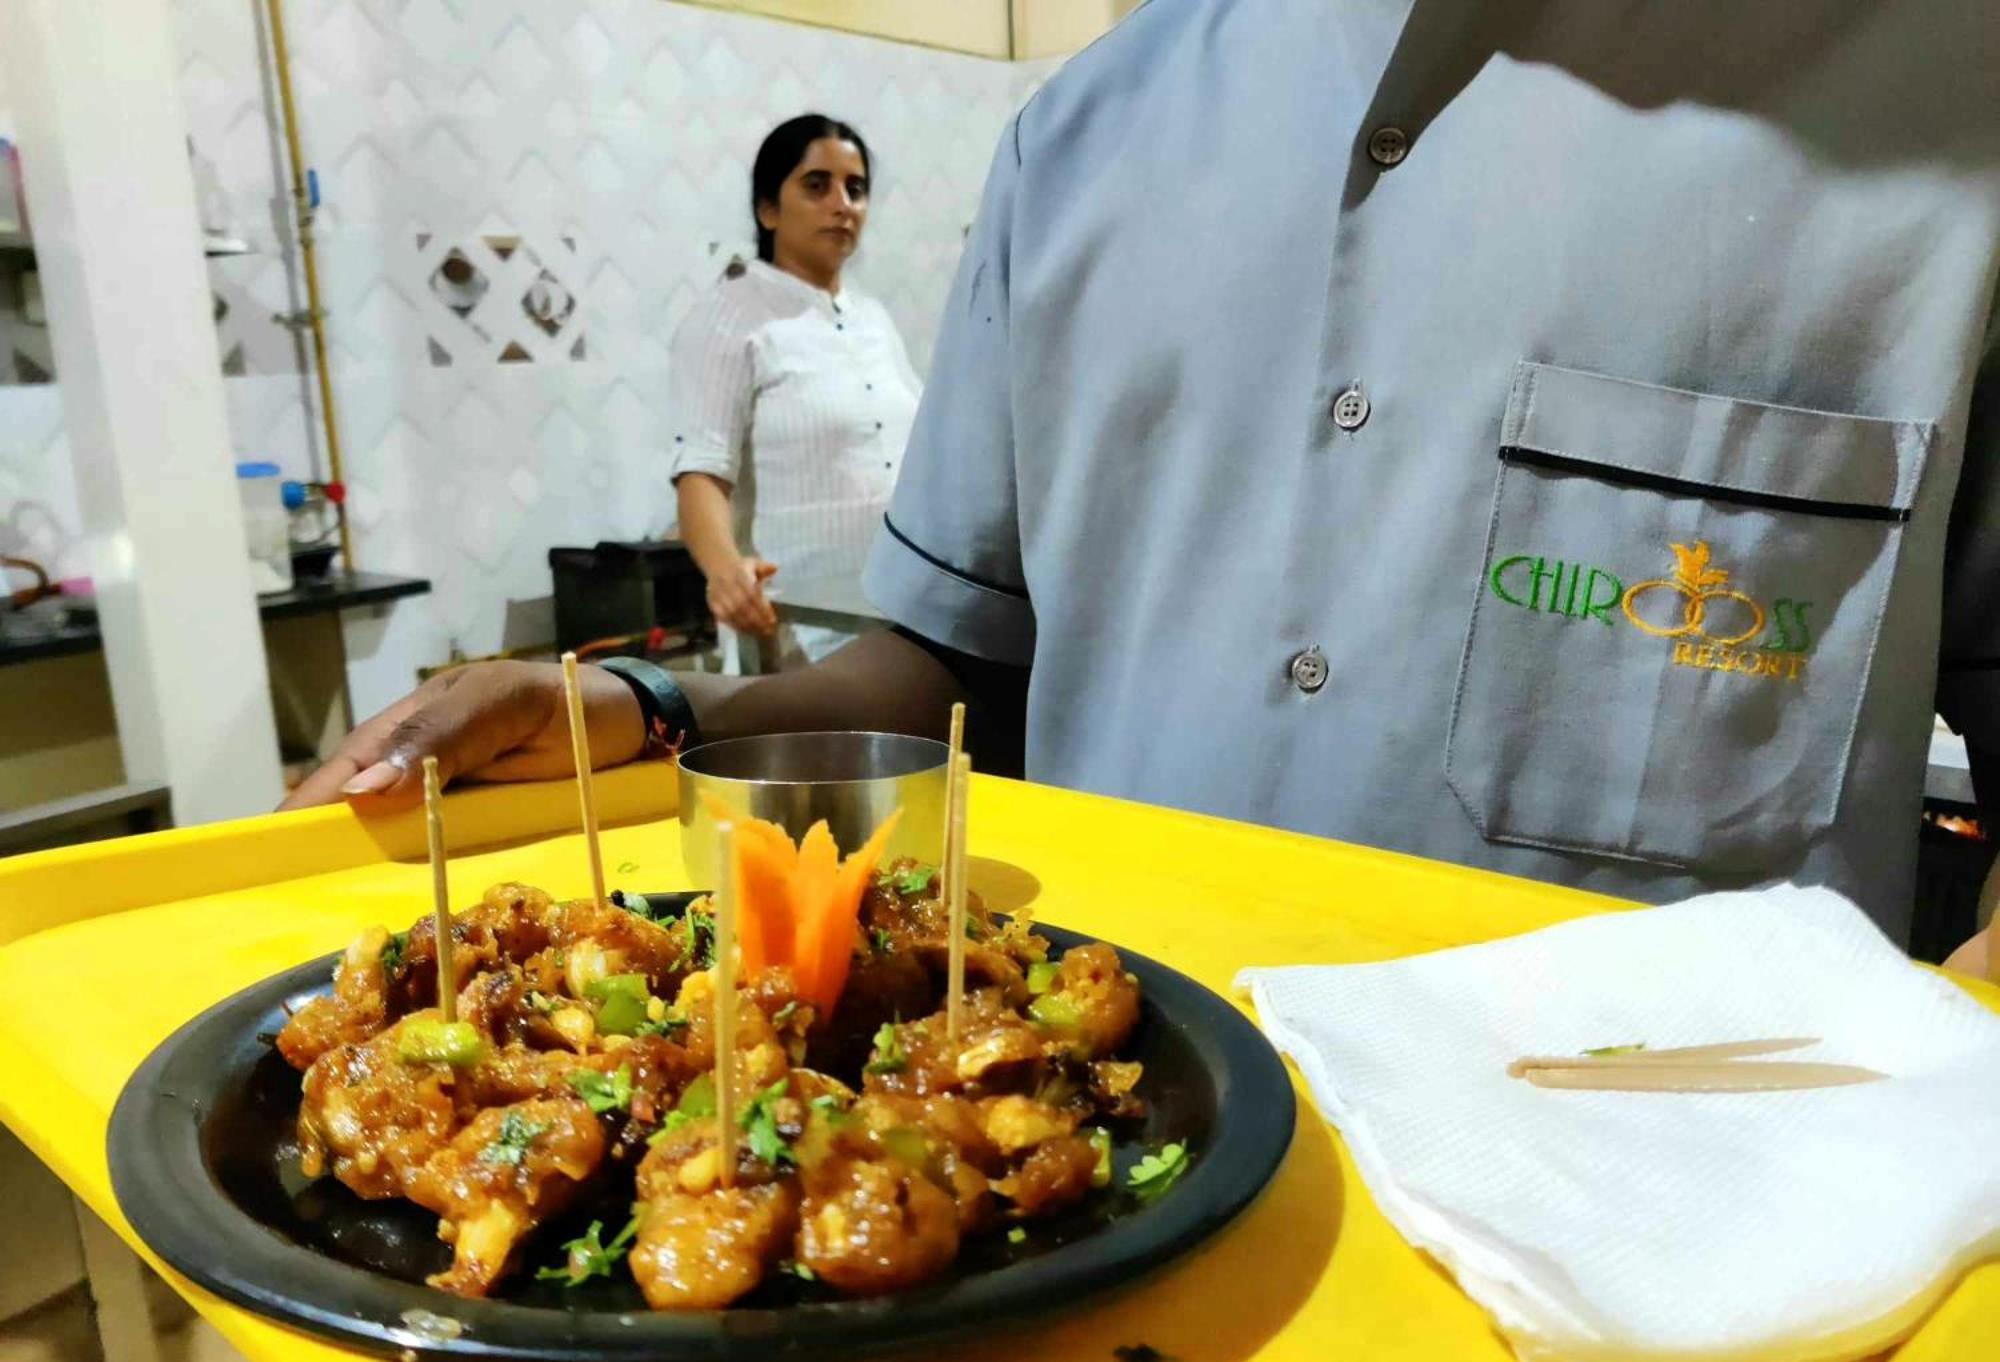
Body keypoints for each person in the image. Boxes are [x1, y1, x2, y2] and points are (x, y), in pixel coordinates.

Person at [286, 1, 2000, 967]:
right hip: (1096, 1208)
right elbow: (954, 665)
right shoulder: (1087, 135)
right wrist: (645, 707)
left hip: (1689, 1351)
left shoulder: (1955, 110)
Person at [670, 114, 923, 667]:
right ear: (768, 209)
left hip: (900, 620)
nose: (842, 205)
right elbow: (700, 474)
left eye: (855, 189)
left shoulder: (873, 319)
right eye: (817, 185)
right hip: (796, 636)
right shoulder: (730, 318)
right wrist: (725, 572)